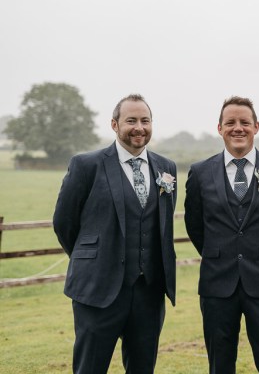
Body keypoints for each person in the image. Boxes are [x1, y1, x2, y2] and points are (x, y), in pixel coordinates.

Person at [53, 94, 178, 373]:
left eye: (145, 120)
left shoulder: (166, 168)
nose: (139, 127)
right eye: (131, 120)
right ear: (114, 124)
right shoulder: (87, 165)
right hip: (98, 291)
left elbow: (163, 223)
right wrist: (92, 260)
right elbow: (64, 222)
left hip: (149, 292)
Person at [184, 96, 259, 373]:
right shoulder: (200, 173)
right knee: (220, 365)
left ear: (256, 126)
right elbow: (195, 225)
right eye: (231, 123)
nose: (238, 128)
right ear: (219, 128)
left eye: (244, 122)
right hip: (217, 285)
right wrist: (217, 256)